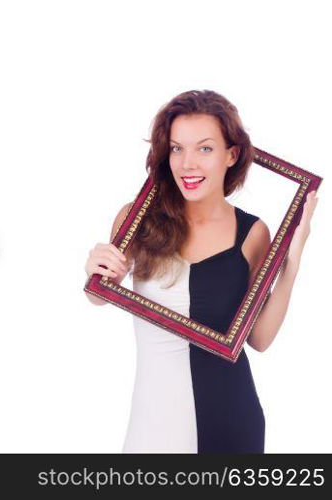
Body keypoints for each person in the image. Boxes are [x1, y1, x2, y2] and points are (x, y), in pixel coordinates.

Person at [84, 90, 319, 453]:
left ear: (232, 154)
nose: (187, 163)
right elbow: (100, 295)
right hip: (154, 424)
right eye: (177, 148)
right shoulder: (138, 217)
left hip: (232, 421)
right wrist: (96, 272)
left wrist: (292, 259)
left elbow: (259, 339)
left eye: (204, 149)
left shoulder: (253, 232)